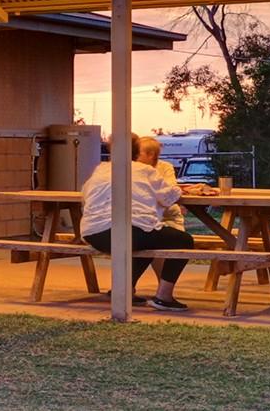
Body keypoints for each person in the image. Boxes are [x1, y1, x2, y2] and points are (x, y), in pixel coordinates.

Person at [82, 134, 217, 312]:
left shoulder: (101, 169)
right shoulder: (145, 170)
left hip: (94, 233)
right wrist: (185, 190)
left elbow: (85, 194)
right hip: (127, 231)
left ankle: (124, 291)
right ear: (137, 152)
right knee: (183, 240)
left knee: (144, 238)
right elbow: (169, 196)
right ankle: (164, 297)